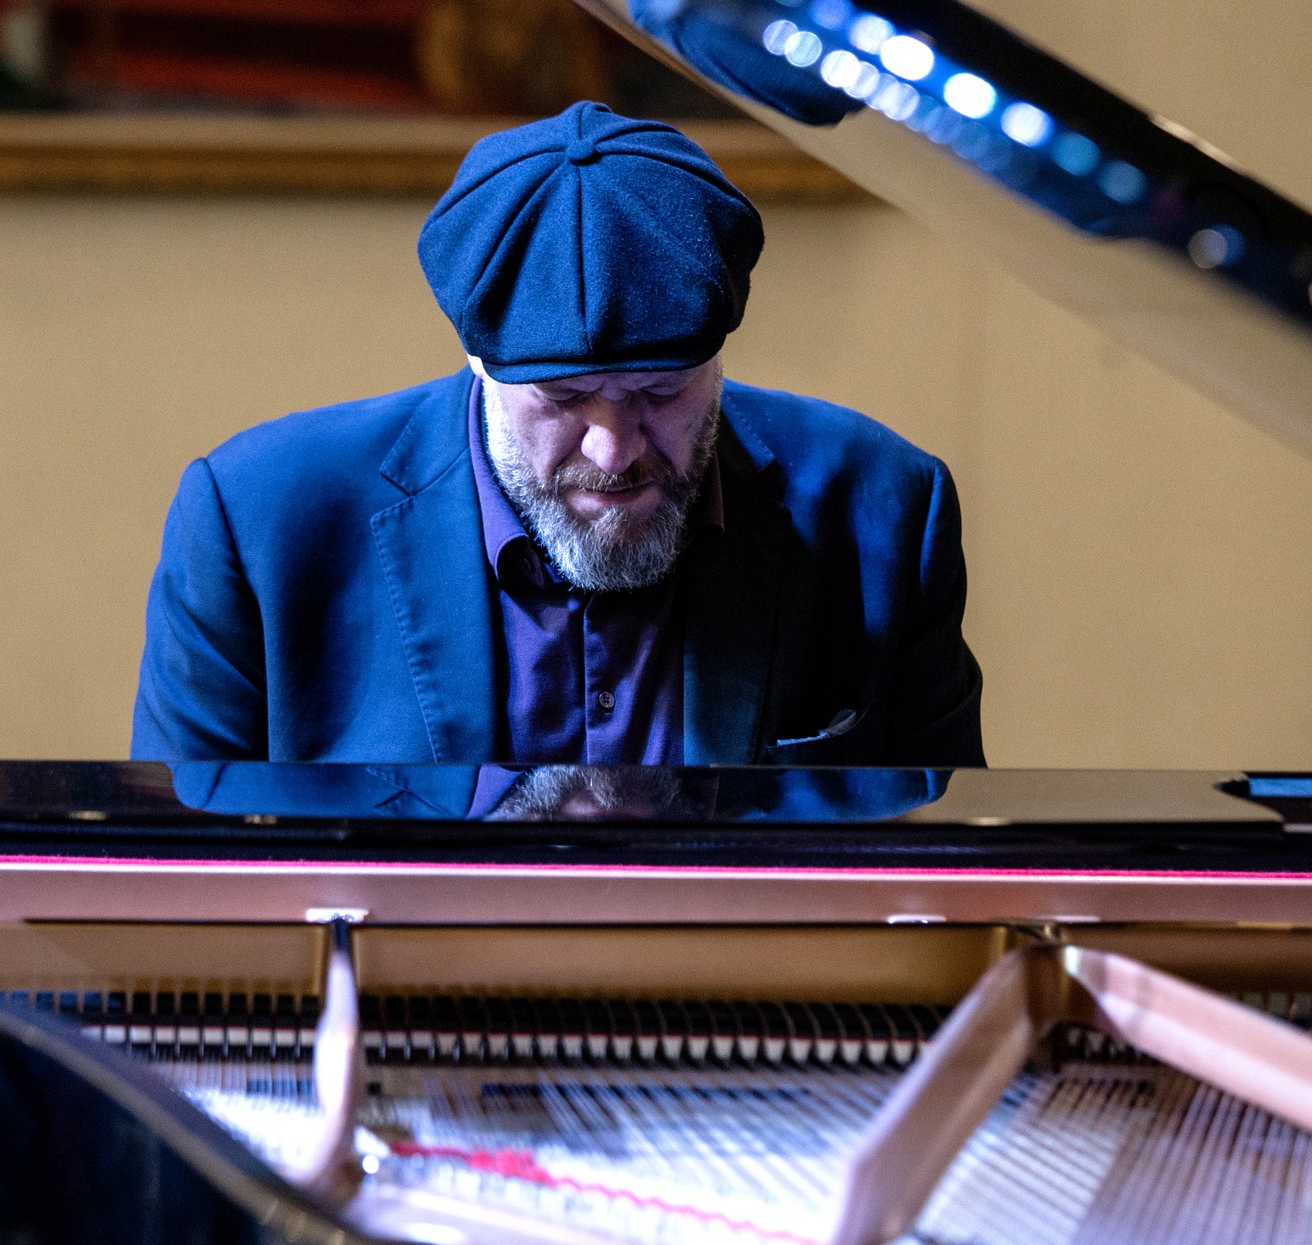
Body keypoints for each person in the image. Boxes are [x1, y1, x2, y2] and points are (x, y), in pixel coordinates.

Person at [132, 101, 984, 767]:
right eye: (565, 398)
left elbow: (955, 891)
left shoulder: (888, 514)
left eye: (660, 390)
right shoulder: (253, 525)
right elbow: (175, 903)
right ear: (478, 361)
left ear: (718, 359)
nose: (614, 449)